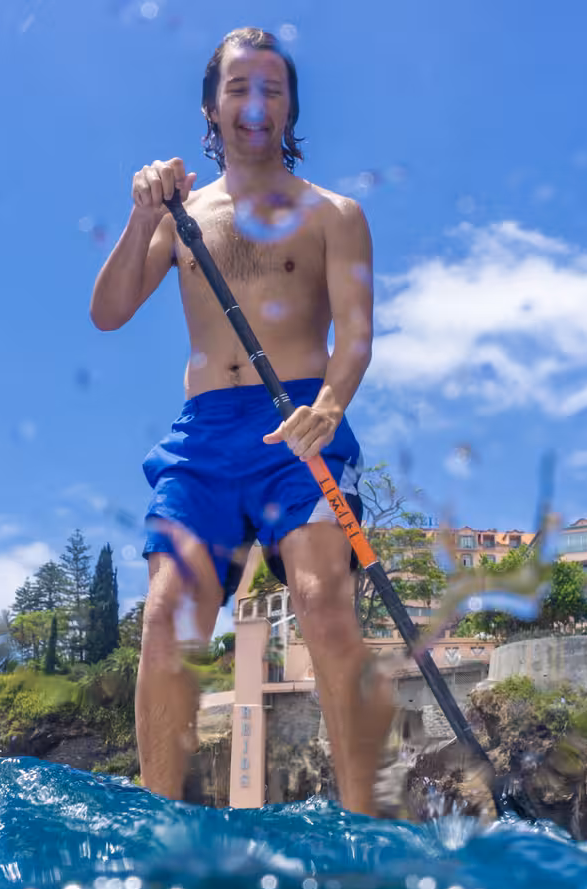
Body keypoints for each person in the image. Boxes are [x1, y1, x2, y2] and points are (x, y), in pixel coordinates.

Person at [90, 26, 384, 814]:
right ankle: (160, 825)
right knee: (164, 618)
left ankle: (364, 828)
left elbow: (355, 336)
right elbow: (109, 312)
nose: (256, 105)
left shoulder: (335, 213)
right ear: (211, 110)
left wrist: (327, 411)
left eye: (273, 90)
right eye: (238, 89)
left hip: (300, 422)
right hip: (203, 434)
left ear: (290, 110)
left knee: (324, 600)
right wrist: (142, 214)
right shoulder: (181, 217)